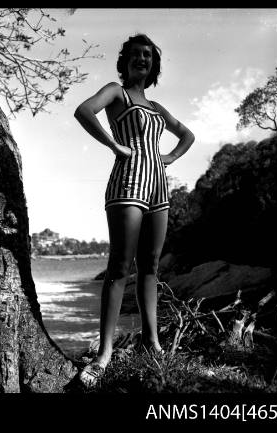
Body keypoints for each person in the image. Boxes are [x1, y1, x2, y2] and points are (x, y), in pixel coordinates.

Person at [74, 34, 195, 387]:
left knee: (152, 267)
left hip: (158, 188)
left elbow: (187, 135)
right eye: (136, 54)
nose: (142, 59)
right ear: (126, 60)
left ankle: (151, 341)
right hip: (127, 184)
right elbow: (84, 111)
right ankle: (105, 353)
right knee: (120, 266)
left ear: (154, 64)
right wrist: (114, 144)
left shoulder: (157, 108)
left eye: (148, 55)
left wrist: (169, 157)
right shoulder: (117, 92)